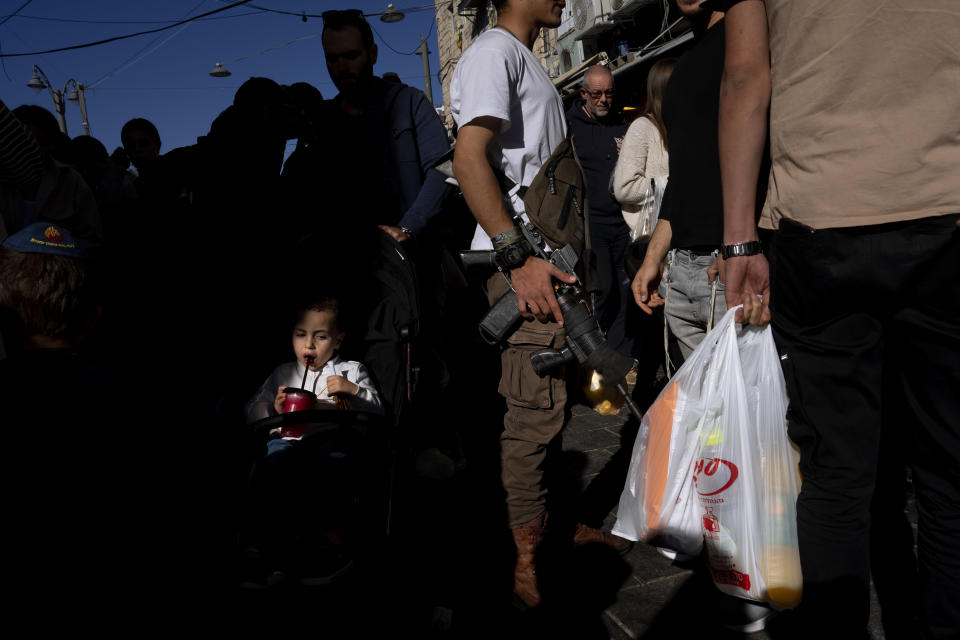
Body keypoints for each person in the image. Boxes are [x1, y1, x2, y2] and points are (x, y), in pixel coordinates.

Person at [717, 1, 959, 637]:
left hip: (818, 214)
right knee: (949, 472)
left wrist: (739, 240)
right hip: (943, 206)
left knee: (834, 478)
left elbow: (745, 73)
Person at [450, 0, 578, 608]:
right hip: (525, 268)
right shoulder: (494, 52)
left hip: (551, 264)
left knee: (553, 410)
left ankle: (555, 534)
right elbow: (468, 157)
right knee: (530, 418)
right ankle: (525, 560)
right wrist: (517, 259)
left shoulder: (521, 56)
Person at [629, 1, 727, 365]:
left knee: (744, 410)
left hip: (729, 266)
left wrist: (740, 246)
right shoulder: (684, 67)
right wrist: (653, 258)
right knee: (703, 413)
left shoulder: (745, 46)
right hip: (680, 271)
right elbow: (683, 179)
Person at [565, 65, 633, 357]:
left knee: (629, 293)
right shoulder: (570, 126)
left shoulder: (622, 124)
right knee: (603, 293)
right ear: (584, 94)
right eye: (597, 94)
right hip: (593, 226)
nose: (604, 99)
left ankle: (620, 359)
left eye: (608, 93)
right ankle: (594, 355)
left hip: (625, 224)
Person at [245, 297, 383, 429]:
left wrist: (353, 390)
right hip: (288, 443)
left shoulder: (352, 371)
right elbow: (249, 414)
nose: (309, 344)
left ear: (338, 341)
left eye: (321, 336)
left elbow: (378, 412)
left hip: (334, 443)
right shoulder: (282, 373)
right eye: (301, 334)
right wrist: (275, 410)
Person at [0, 105, 103, 254]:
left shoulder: (69, 181)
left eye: (41, 142)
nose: (33, 148)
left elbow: (92, 240)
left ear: (52, 145)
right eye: (27, 141)